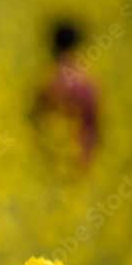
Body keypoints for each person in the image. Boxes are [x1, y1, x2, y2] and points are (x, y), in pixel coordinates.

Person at [33, 21, 100, 171]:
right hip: (81, 162)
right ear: (78, 46)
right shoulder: (88, 82)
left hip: (47, 162)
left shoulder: (46, 81)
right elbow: (96, 123)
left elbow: (34, 121)